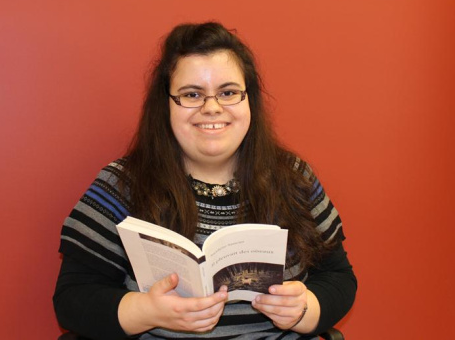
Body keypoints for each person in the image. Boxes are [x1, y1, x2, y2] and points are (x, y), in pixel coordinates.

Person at [53, 22, 357, 340]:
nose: (212, 108)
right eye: (192, 94)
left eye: (227, 93)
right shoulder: (122, 186)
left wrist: (306, 308)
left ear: (248, 100)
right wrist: (145, 311)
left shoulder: (293, 179)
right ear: (166, 105)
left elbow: (338, 277)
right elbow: (72, 300)